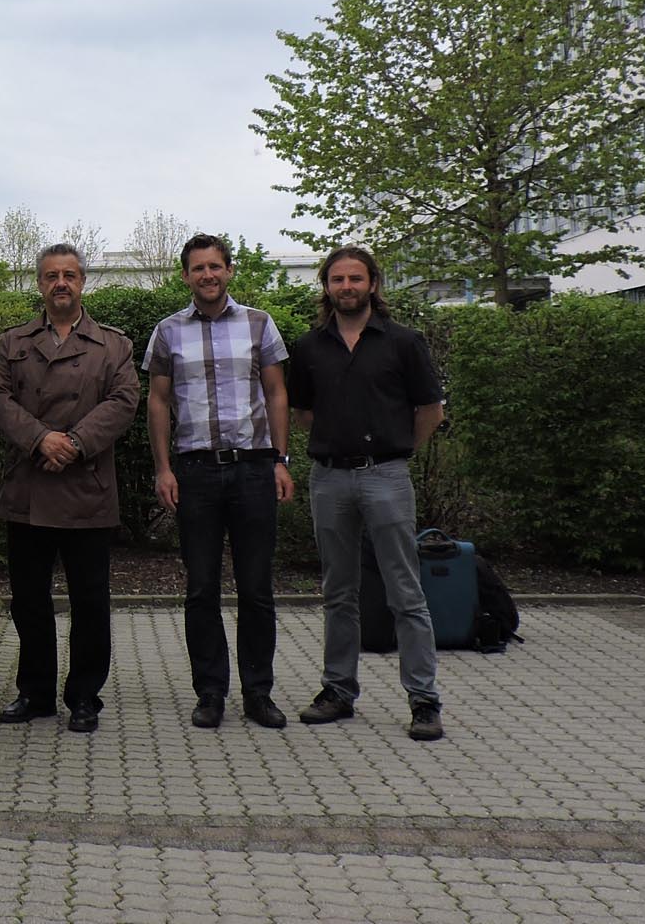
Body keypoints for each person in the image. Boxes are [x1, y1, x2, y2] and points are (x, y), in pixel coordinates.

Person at [286, 244, 447, 742]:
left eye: (355, 278)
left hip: (386, 476)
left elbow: (431, 411)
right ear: (326, 286)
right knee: (338, 592)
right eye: (337, 279)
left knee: (405, 592)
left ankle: (423, 699)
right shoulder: (309, 347)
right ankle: (338, 690)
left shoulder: (404, 342)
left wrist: (398, 452)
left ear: (373, 284)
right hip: (330, 479)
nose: (347, 287)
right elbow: (304, 414)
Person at [0, 243, 140, 733]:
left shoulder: (113, 345)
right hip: (28, 487)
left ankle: (85, 696)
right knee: (29, 600)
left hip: (86, 488)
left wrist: (73, 442)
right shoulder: (14, 341)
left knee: (90, 602)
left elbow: (124, 400)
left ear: (82, 282)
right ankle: (35, 693)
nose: (60, 284)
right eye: (51, 276)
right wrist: (40, 439)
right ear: (39, 284)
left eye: (69, 275)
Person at [145, 234, 293, 731]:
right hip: (196, 473)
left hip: (253, 468)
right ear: (185, 276)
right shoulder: (167, 332)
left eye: (215, 266)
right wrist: (163, 468)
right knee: (201, 588)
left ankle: (258, 693)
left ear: (229, 270)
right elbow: (158, 402)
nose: (207, 275)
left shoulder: (259, 323)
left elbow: (276, 392)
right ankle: (210, 693)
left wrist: (280, 459)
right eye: (198, 268)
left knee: (256, 588)